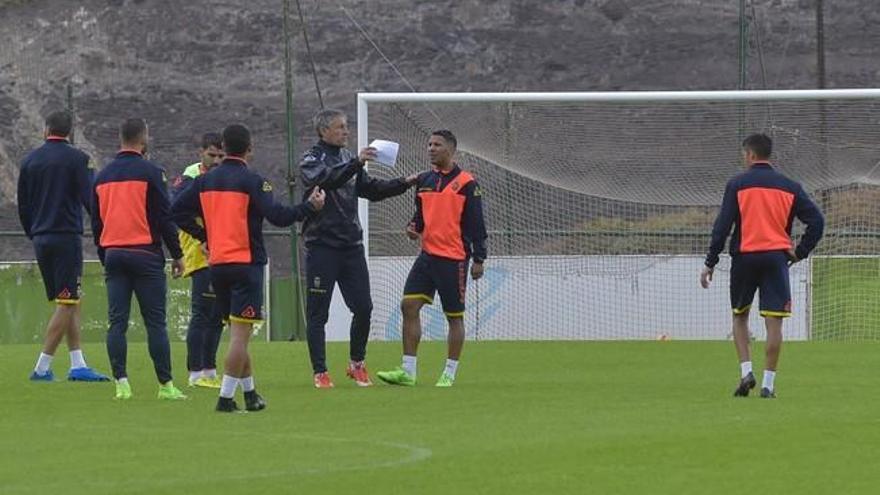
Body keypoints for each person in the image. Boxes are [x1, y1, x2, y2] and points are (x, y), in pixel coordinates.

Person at [172, 124, 326, 412]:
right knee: (240, 337)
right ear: (249, 149)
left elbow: (177, 211)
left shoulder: (205, 181)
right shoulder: (254, 181)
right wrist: (310, 208)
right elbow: (279, 216)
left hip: (217, 266)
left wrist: (205, 237)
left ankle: (251, 394)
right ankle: (226, 398)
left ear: (225, 149)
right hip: (246, 264)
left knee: (237, 332)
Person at [299, 109, 418, 388]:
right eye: (340, 127)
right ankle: (320, 371)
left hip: (351, 246)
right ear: (323, 131)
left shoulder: (347, 157)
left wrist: (404, 183)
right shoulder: (311, 159)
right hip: (322, 246)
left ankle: (357, 364)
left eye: (346, 126)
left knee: (363, 307)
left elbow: (371, 189)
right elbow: (328, 180)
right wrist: (356, 162)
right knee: (319, 313)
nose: (346, 131)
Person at [700, 133, 824, 399]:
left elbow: (722, 227)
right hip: (775, 259)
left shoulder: (737, 184)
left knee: (740, 316)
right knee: (774, 323)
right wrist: (799, 253)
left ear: (751, 155)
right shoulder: (790, 186)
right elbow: (817, 222)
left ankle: (746, 372)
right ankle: (768, 384)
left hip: (745, 258)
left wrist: (711, 261)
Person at [377, 130, 487, 388]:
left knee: (454, 317)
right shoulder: (424, 180)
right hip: (427, 257)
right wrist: (413, 227)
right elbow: (420, 215)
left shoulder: (468, 183)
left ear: (450, 149)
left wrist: (479, 258)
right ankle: (408, 371)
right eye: (429, 144)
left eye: (436, 145)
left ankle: (449, 372)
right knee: (409, 306)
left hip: (454, 259)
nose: (431, 148)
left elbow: (477, 225)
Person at [92, 118, 187, 401]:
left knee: (116, 322)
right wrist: (178, 254)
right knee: (155, 322)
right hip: (144, 253)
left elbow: (97, 224)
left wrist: (105, 255)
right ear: (143, 138)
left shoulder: (102, 176)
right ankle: (165, 385)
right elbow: (164, 216)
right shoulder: (151, 172)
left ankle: (121, 383)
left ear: (120, 139)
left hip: (114, 254)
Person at [17, 110, 109, 382]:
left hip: (41, 237)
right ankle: (42, 368)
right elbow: (90, 200)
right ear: (70, 132)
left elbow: (23, 203)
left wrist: (32, 232)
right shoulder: (78, 159)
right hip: (65, 236)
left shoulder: (29, 160)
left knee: (69, 299)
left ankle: (77, 363)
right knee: (67, 301)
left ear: (46, 130)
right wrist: (102, 230)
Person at [170, 132, 225, 388]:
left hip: (221, 250)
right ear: (200, 153)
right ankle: (194, 372)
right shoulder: (191, 176)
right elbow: (178, 206)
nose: (216, 160)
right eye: (211, 155)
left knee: (217, 315)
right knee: (202, 312)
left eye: (220, 155)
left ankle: (210, 370)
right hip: (199, 250)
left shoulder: (224, 175)